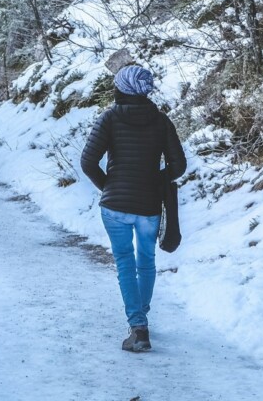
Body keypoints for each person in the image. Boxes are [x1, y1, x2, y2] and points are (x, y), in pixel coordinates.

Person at [80, 64, 186, 353]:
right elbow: (178, 166)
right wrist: (153, 181)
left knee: (124, 261)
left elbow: (88, 162)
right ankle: (141, 318)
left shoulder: (110, 118)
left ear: (121, 89)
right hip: (149, 205)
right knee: (146, 261)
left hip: (115, 206)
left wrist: (110, 187)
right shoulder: (162, 121)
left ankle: (138, 326)